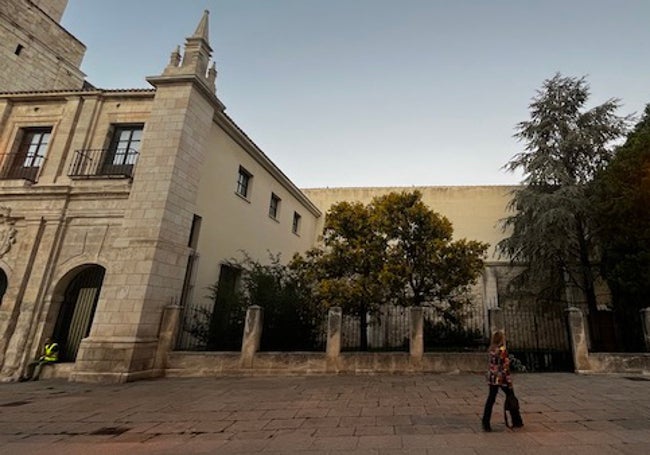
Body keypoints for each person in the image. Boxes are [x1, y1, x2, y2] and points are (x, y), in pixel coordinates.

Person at [481, 330, 522, 432]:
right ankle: (517, 420)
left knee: (491, 399)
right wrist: (509, 381)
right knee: (511, 396)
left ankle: (486, 422)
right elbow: (505, 367)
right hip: (502, 378)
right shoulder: (502, 351)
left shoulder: (491, 349)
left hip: (493, 377)